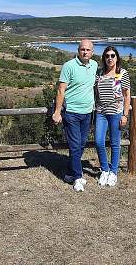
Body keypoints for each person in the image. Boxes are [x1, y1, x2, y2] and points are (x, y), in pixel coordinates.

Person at [52, 39, 98, 192]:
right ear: (78, 50)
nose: (85, 52)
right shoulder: (69, 66)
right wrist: (57, 112)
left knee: (81, 144)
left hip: (87, 112)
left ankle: (69, 174)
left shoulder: (94, 65)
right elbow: (61, 90)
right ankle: (78, 177)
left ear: (92, 52)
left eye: (88, 50)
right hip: (71, 112)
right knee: (75, 144)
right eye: (82, 49)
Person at [94, 46, 131, 187]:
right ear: (104, 58)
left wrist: (125, 115)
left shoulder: (122, 73)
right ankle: (105, 169)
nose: (110, 58)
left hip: (116, 113)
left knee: (115, 143)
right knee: (98, 141)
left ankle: (113, 172)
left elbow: (127, 95)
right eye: (107, 56)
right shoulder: (99, 73)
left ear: (117, 58)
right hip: (101, 112)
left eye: (112, 55)